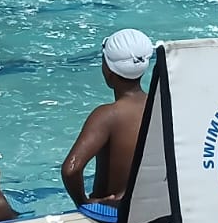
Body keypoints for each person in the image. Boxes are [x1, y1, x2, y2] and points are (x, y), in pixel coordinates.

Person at [61, 29, 153, 209]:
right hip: (147, 210)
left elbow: (71, 170)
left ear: (108, 71)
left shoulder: (107, 116)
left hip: (110, 213)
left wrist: (84, 203)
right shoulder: (161, 105)